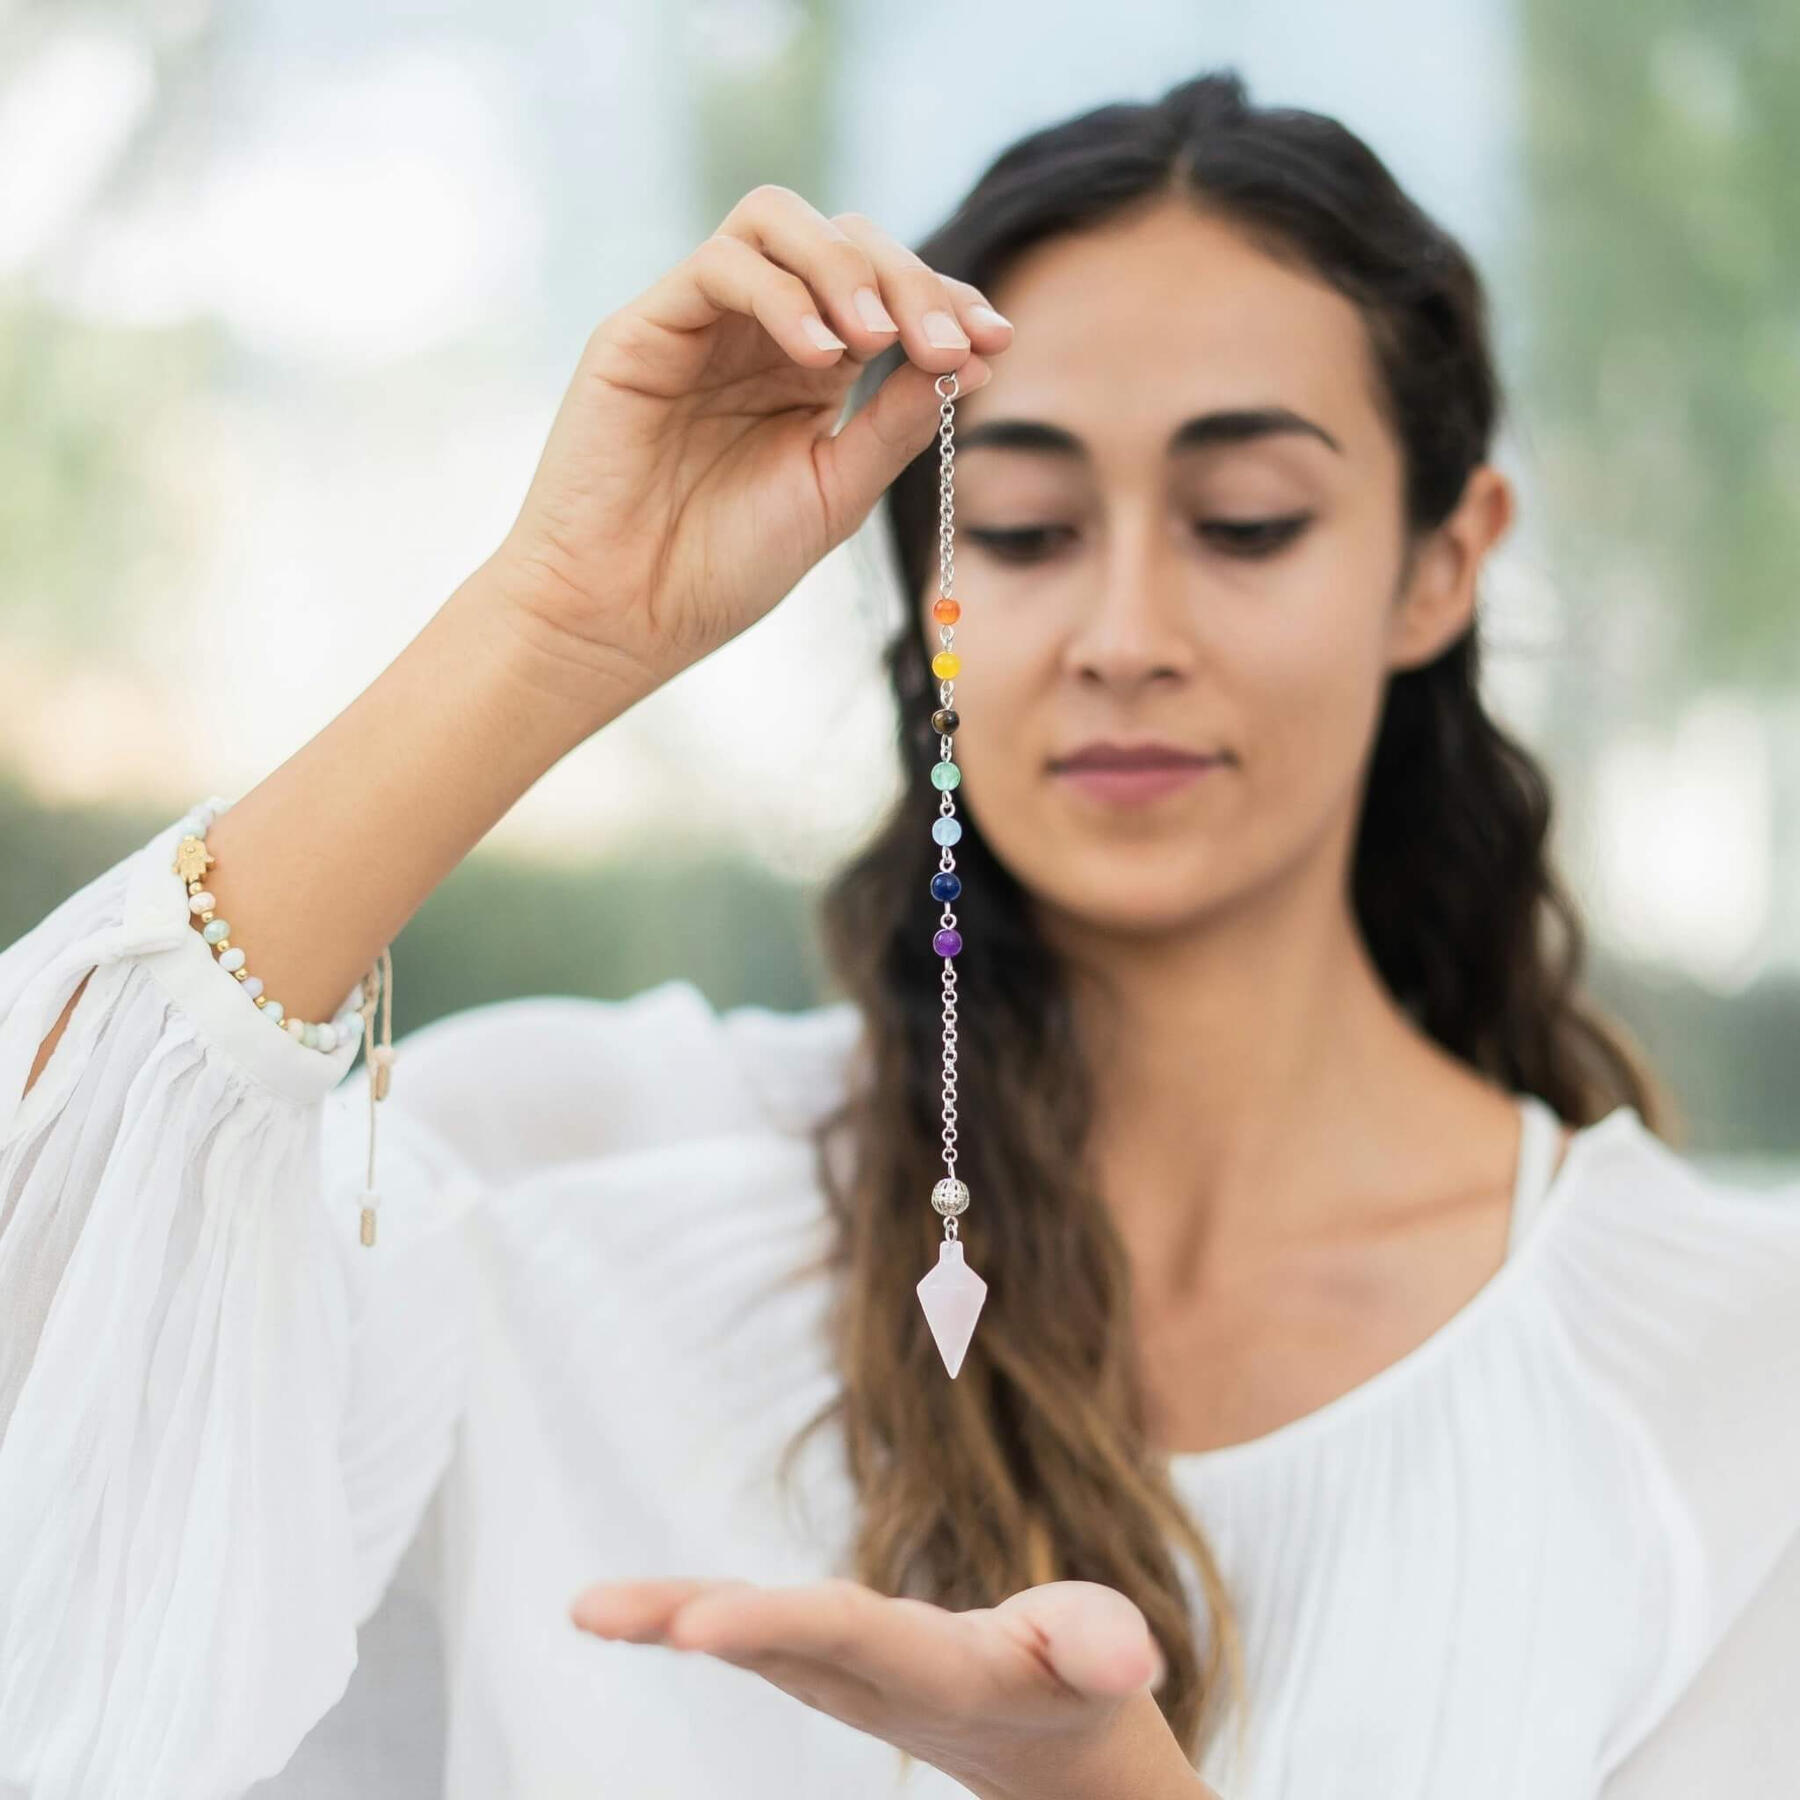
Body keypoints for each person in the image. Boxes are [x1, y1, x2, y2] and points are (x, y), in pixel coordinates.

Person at [2, 67, 1797, 1800]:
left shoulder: (1730, 1383)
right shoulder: (575, 1186)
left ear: (1443, 559)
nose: (1122, 628)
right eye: (1015, 527)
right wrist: (555, 625)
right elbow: (51, 1290)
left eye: (1246, 522)